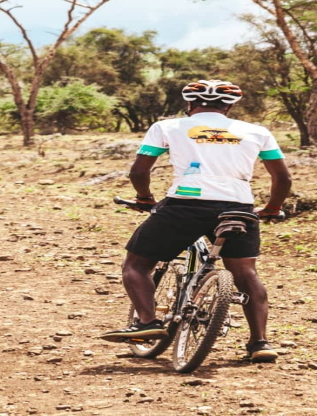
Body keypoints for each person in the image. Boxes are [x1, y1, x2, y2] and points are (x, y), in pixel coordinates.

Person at [100, 80, 292, 363]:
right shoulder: (257, 132)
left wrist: (144, 198)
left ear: (189, 104)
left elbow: (140, 171)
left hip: (184, 206)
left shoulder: (167, 127)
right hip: (238, 206)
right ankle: (260, 342)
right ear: (228, 106)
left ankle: (148, 322)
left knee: (136, 265)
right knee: (246, 273)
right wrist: (272, 208)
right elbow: (283, 178)